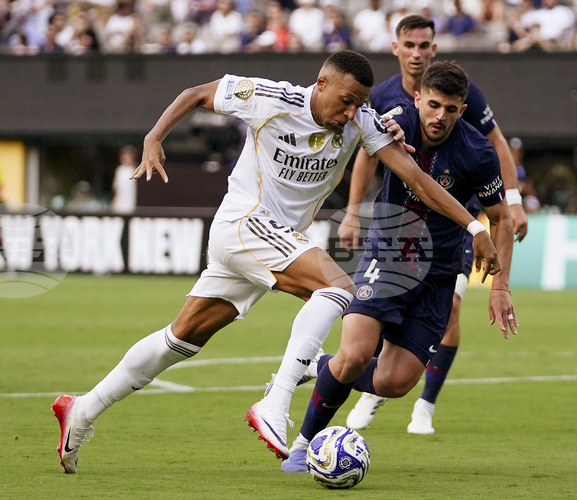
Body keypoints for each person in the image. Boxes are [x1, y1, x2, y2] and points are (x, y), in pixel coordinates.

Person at [51, 50, 499, 474]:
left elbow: (417, 179)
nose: (350, 112)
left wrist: (474, 227)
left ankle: (83, 409)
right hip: (244, 223)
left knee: (180, 339)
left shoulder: (362, 122)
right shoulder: (270, 98)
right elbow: (196, 94)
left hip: (269, 243)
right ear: (321, 83)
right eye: (345, 100)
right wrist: (153, 137)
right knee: (339, 288)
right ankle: (276, 400)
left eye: (359, 103)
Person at [280, 61, 517, 472]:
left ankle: (319, 365)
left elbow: (502, 219)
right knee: (356, 355)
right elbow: (370, 130)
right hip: (388, 255)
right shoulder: (398, 121)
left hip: (438, 275)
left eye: (451, 109)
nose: (439, 116)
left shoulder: (478, 153)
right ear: (418, 99)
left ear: (462, 110)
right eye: (433, 105)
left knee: (395, 382)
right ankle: (302, 446)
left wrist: (500, 287)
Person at [339, 14, 527, 435]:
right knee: (374, 326)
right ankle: (369, 379)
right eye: (410, 45)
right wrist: (352, 210)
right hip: (397, 234)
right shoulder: (384, 96)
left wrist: (512, 201)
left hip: (454, 230)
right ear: (396, 48)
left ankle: (424, 404)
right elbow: (367, 155)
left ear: (434, 49)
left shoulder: (462, 91)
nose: (417, 53)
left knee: (453, 308)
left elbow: (496, 144)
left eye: (425, 45)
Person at [110, 145, 138, 214]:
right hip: (120, 205)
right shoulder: (120, 170)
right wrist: (114, 203)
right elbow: (117, 189)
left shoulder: (136, 170)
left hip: (132, 205)